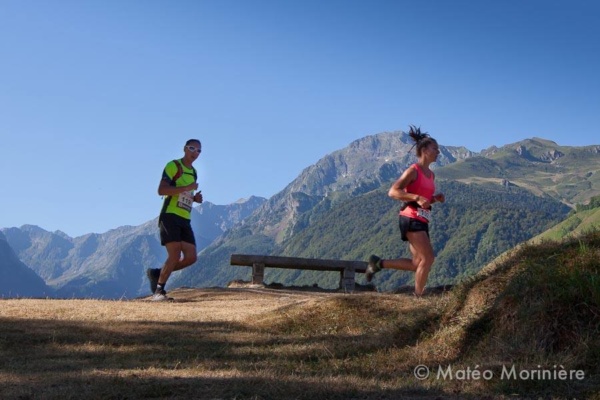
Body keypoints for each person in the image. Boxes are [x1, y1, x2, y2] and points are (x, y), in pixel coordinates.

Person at [366, 126, 445, 296]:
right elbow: (393, 191)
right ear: (424, 150)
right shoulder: (413, 170)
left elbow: (423, 200)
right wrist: (416, 197)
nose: (438, 152)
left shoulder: (431, 175)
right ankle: (418, 297)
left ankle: (378, 263)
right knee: (428, 258)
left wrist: (434, 199)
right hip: (410, 217)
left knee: (417, 263)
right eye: (435, 148)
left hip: (422, 219)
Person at [146, 139, 204, 301]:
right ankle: (159, 292)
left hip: (185, 218)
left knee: (191, 257)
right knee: (174, 254)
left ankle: (158, 274)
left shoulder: (193, 172)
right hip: (170, 216)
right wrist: (187, 188)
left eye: (199, 151)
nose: (195, 153)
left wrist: (194, 198)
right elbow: (161, 190)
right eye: (192, 148)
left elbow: (184, 195)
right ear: (184, 149)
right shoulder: (174, 166)